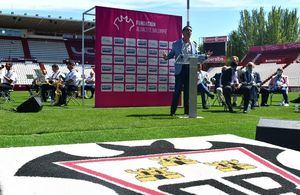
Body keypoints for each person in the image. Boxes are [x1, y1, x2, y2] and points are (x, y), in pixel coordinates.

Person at [163, 25, 209, 116]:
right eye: (187, 30)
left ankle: (187, 112)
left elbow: (196, 56)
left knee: (188, 92)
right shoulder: (176, 43)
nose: (189, 32)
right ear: (183, 33)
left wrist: (205, 56)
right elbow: (172, 54)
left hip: (190, 70)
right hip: (180, 70)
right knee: (177, 91)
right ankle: (173, 111)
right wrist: (166, 57)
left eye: (190, 31)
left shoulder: (194, 44)